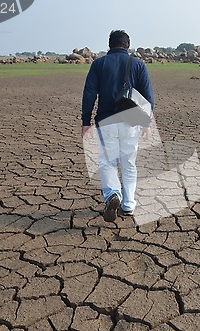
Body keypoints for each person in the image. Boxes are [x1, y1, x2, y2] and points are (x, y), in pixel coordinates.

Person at [81, 30, 154, 222]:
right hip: (131, 121)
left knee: (108, 163)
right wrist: (146, 123)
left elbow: (89, 93)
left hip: (106, 122)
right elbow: (148, 96)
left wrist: (85, 121)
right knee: (129, 163)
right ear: (127, 46)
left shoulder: (99, 64)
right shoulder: (138, 64)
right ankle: (128, 205)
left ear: (110, 45)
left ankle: (113, 194)